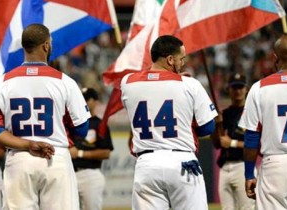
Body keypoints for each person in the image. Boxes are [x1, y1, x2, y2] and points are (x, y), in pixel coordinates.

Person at [0, 23, 90, 210]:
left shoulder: (4, 81)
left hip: (19, 157)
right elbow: (81, 128)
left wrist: (26, 144)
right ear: (46, 45)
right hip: (55, 155)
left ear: (24, 47)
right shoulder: (65, 82)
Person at [120, 35, 217, 210]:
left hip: (146, 163)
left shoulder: (128, 82)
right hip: (182, 161)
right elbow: (207, 128)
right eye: (182, 58)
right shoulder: (190, 84)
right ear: (170, 59)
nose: (183, 63)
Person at [239, 34, 287, 209]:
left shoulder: (260, 88)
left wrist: (249, 174)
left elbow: (252, 137)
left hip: (275, 166)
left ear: (275, 57)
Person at [211, 72, 255, 210]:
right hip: (225, 166)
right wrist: (216, 125)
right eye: (234, 87)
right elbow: (217, 144)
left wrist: (232, 143)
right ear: (228, 89)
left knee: (247, 207)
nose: (238, 91)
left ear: (246, 89)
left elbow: (257, 145)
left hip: (243, 164)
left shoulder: (252, 112)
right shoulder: (224, 114)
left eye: (240, 87)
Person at [70, 87, 113, 210]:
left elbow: (106, 153)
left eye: (87, 99)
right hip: (70, 173)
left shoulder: (100, 125)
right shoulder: (72, 122)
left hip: (89, 173)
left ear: (96, 102)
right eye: (81, 99)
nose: (83, 102)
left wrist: (80, 153)